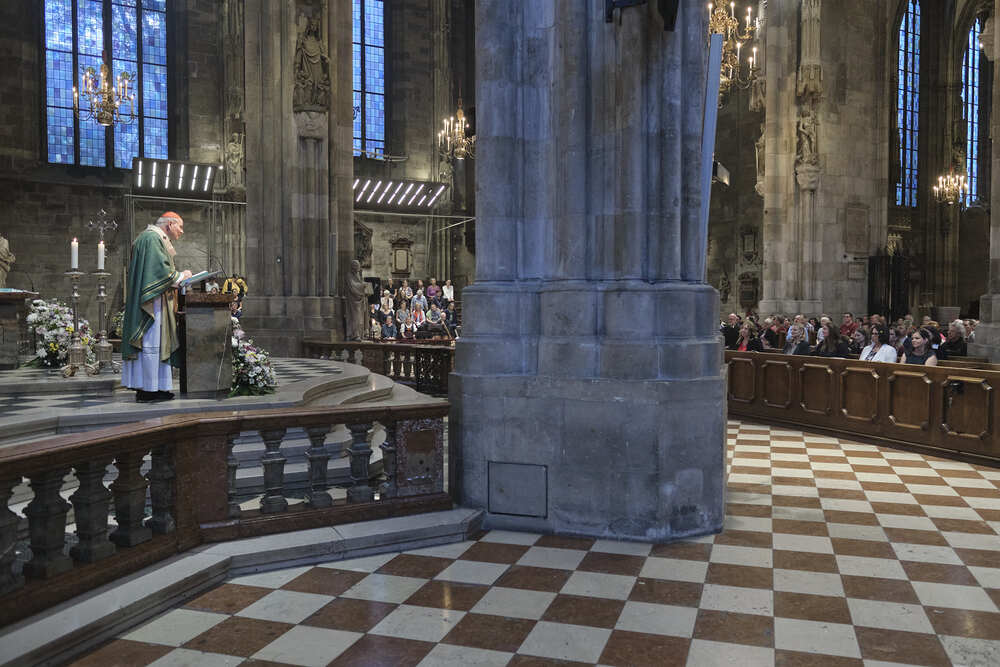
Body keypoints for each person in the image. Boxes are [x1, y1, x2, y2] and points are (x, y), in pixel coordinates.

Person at [121, 212, 193, 402]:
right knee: (151, 343)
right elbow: (160, 273)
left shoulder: (148, 237)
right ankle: (148, 390)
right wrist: (182, 276)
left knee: (156, 344)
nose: (181, 231)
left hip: (155, 301)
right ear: (169, 224)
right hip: (151, 305)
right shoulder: (152, 238)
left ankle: (156, 387)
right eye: (180, 227)